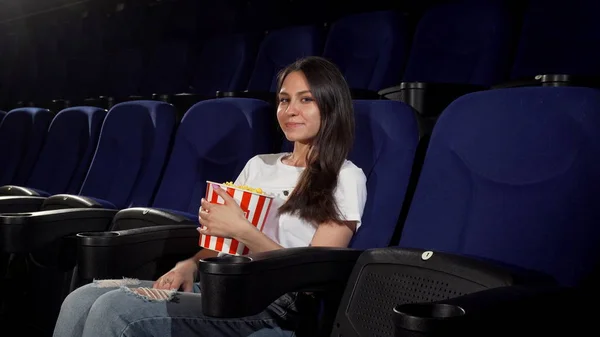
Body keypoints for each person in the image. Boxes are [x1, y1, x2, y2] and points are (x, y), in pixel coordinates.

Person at [52, 56, 368, 337]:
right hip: (225, 285)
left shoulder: (345, 177)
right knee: (81, 299)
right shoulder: (259, 165)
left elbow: (312, 274)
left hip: (278, 303)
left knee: (114, 309)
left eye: (306, 100)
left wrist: (242, 230)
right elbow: (224, 246)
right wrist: (189, 264)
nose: (290, 111)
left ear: (330, 106)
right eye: (284, 100)